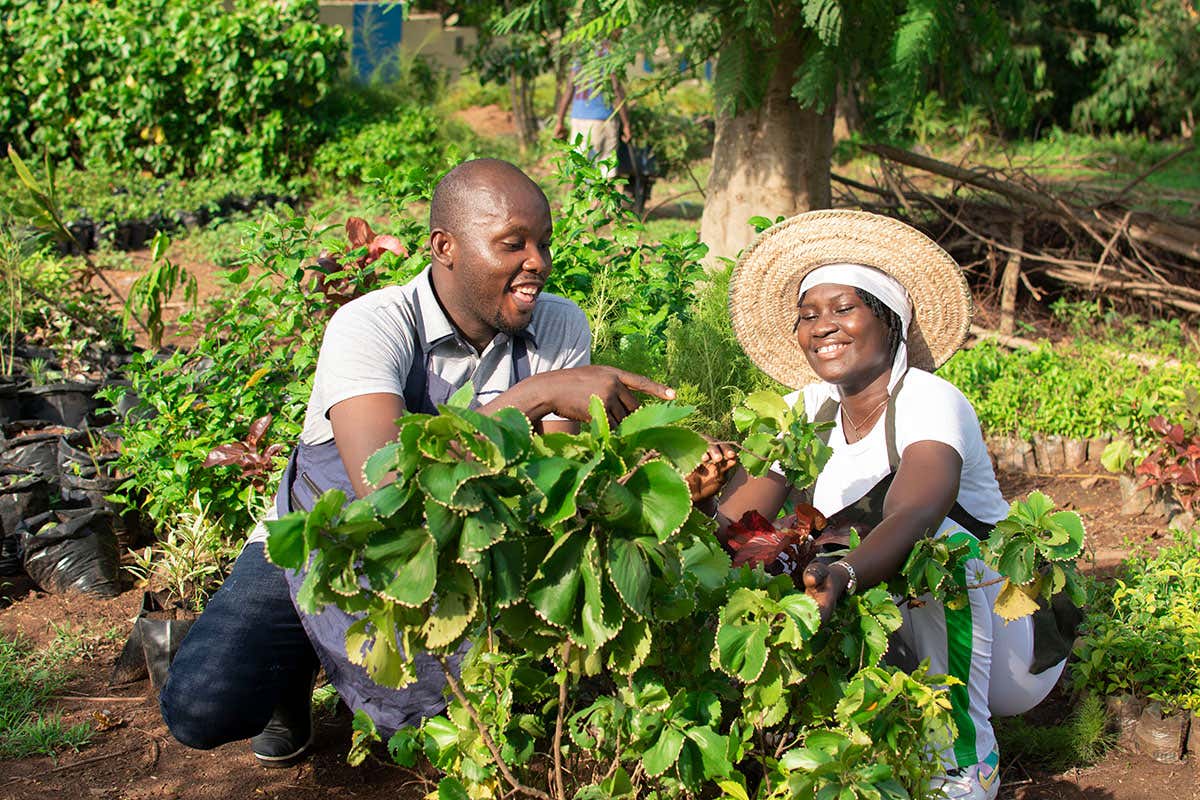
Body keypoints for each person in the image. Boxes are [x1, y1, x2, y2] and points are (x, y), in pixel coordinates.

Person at [159, 158, 676, 767]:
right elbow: (382, 484)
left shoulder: (557, 324)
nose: (537, 262)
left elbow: (556, 481)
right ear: (444, 247)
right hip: (334, 537)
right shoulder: (371, 324)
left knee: (473, 713)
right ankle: (290, 669)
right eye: (513, 244)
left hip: (470, 540)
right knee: (203, 709)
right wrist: (534, 396)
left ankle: (344, 655)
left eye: (543, 243)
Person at [702, 210, 1066, 800]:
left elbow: (917, 512)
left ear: (889, 321)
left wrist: (841, 572)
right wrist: (706, 503)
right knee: (782, 545)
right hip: (891, 619)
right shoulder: (804, 409)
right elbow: (744, 529)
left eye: (845, 308)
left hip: (1009, 635)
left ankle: (964, 765)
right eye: (808, 314)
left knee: (937, 545)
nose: (824, 326)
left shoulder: (928, 400)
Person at [553, 47, 631, 179]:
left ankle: (573, 199)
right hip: (602, 120)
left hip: (578, 119)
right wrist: (626, 124)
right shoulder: (608, 55)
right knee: (605, 172)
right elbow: (616, 89)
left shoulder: (581, 56)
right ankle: (600, 199)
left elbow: (569, 88)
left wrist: (560, 121)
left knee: (578, 168)